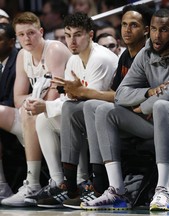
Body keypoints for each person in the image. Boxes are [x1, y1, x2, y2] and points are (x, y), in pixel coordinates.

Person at [80, 8, 169, 211]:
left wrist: (144, 107)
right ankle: (117, 190)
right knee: (102, 109)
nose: (156, 35)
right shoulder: (146, 53)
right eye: (153, 29)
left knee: (163, 106)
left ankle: (162, 190)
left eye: (163, 30)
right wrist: (148, 93)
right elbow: (121, 94)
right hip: (157, 118)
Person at [42, 4, 153, 210]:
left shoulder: (147, 56)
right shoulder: (126, 56)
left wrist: (81, 92)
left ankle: (100, 185)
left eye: (134, 25)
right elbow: (116, 93)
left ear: (146, 30)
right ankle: (71, 184)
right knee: (71, 109)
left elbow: (125, 97)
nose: (127, 30)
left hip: (148, 119)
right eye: (125, 25)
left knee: (96, 106)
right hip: (125, 115)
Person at [34, 12, 118, 208]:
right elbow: (70, 97)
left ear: (90, 35)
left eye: (77, 35)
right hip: (88, 113)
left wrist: (48, 104)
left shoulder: (101, 58)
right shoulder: (73, 59)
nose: (71, 41)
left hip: (109, 115)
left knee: (74, 110)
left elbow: (91, 96)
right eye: (67, 35)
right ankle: (64, 183)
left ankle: (91, 184)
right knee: (43, 120)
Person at [0, 11, 71, 207]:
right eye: (21, 35)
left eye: (31, 33)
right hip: (36, 113)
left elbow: (54, 97)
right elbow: (17, 99)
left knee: (33, 113)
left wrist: (32, 102)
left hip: (62, 113)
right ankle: (1, 186)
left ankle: (32, 184)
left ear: (41, 32)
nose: (26, 38)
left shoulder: (54, 49)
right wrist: (32, 102)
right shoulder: (23, 55)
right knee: (20, 112)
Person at [0, 23, 19, 201]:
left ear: (12, 42)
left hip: (20, 118)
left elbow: (15, 100)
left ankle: (2, 186)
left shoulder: (19, 60)